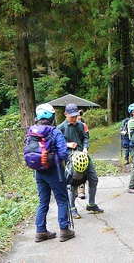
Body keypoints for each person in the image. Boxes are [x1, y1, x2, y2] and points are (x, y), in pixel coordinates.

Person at [32, 103, 75, 242]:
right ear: (51, 117)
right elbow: (63, 153)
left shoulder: (32, 131)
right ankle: (64, 230)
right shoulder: (54, 132)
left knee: (43, 202)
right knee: (62, 200)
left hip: (38, 172)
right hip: (55, 171)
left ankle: (40, 231)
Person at [57, 103, 103, 218]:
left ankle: (91, 204)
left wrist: (86, 148)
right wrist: (67, 144)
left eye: (75, 116)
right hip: (71, 159)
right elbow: (57, 145)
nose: (74, 118)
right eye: (71, 116)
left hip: (84, 157)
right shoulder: (60, 128)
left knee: (93, 179)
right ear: (65, 114)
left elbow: (86, 138)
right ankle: (72, 208)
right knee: (74, 183)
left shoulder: (81, 125)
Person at [76, 110, 88, 200]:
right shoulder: (66, 126)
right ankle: (75, 190)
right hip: (71, 152)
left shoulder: (83, 126)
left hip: (82, 152)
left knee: (82, 170)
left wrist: (85, 148)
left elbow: (86, 138)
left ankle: (81, 191)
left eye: (79, 116)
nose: (78, 118)